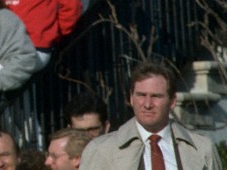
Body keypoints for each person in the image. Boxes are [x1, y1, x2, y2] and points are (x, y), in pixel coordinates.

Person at [80, 61, 222, 169]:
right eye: (141, 95)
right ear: (131, 98)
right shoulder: (101, 150)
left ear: (172, 101)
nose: (147, 104)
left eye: (156, 96)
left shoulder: (201, 149)